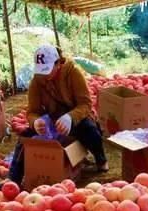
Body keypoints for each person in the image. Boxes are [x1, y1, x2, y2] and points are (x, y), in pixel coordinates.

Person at [9, 44, 108, 185]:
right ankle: (13, 180)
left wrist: (70, 117)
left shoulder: (73, 73)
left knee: (90, 130)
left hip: (77, 116)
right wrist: (36, 122)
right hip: (52, 119)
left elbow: (85, 104)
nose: (45, 75)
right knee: (25, 137)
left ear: (58, 63)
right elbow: (32, 111)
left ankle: (101, 160)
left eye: (48, 70)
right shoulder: (37, 80)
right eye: (42, 71)